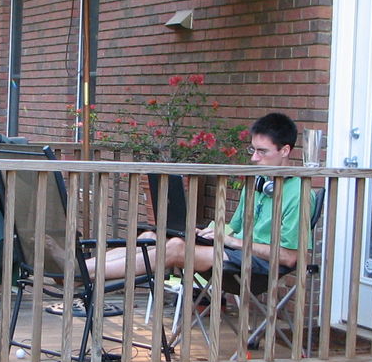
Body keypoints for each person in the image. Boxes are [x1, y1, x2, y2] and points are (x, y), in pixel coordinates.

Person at [90, 111, 304, 282]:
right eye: (253, 150)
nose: (254, 158)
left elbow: (288, 256)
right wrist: (209, 233)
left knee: (175, 248)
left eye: (262, 152)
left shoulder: (297, 193)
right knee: (150, 238)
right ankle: (79, 267)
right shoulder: (257, 183)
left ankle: (83, 273)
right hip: (236, 251)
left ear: (285, 151)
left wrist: (232, 241)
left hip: (262, 264)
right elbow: (234, 228)